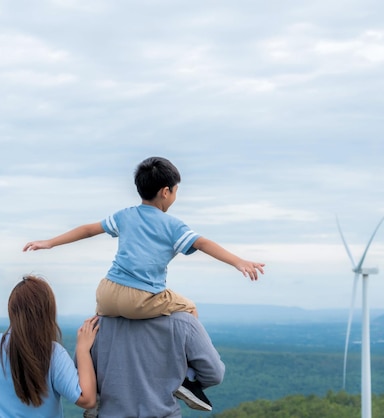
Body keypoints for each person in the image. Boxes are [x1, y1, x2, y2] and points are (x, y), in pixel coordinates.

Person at [23, 156, 264, 410]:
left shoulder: (125, 215)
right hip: (140, 297)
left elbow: (88, 229)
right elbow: (202, 243)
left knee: (104, 333)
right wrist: (238, 261)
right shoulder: (172, 225)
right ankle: (188, 379)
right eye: (176, 191)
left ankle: (98, 402)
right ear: (165, 192)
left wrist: (49, 242)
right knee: (189, 309)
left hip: (106, 294)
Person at [0, 275, 99, 417]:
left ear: (11, 311)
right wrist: (83, 349)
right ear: (48, 312)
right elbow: (87, 400)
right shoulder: (53, 355)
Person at [86, 312, 225, 418]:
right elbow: (214, 374)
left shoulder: (96, 324)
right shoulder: (184, 321)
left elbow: (82, 383)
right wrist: (179, 380)